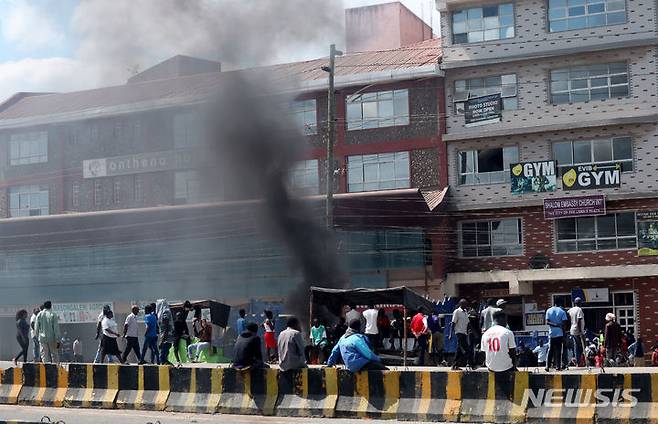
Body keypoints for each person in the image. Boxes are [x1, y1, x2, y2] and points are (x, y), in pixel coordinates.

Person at [545, 298, 568, 371]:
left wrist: (554, 324)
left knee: (550, 350)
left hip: (551, 333)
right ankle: (558, 366)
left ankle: (547, 366)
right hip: (559, 333)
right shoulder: (562, 311)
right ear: (560, 304)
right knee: (558, 350)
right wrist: (564, 334)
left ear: (554, 303)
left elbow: (547, 322)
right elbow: (564, 325)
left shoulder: (548, 310)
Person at [450, 299, 473, 370]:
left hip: (464, 333)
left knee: (459, 349)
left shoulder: (465, 312)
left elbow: (468, 323)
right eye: (464, 304)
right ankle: (471, 363)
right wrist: (450, 334)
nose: (466, 305)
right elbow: (453, 323)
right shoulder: (457, 311)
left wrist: (473, 332)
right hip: (459, 333)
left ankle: (455, 365)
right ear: (461, 304)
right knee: (466, 349)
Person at [568, 298, 586, 367]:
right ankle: (579, 361)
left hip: (572, 330)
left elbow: (567, 317)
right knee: (581, 346)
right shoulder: (579, 310)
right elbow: (579, 320)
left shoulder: (571, 310)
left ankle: (578, 361)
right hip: (577, 330)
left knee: (576, 346)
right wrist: (580, 332)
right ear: (579, 303)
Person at [156, 299, 175, 366]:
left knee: (162, 358)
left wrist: (162, 340)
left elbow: (166, 328)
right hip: (167, 338)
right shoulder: (165, 313)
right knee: (164, 358)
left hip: (166, 338)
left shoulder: (165, 313)